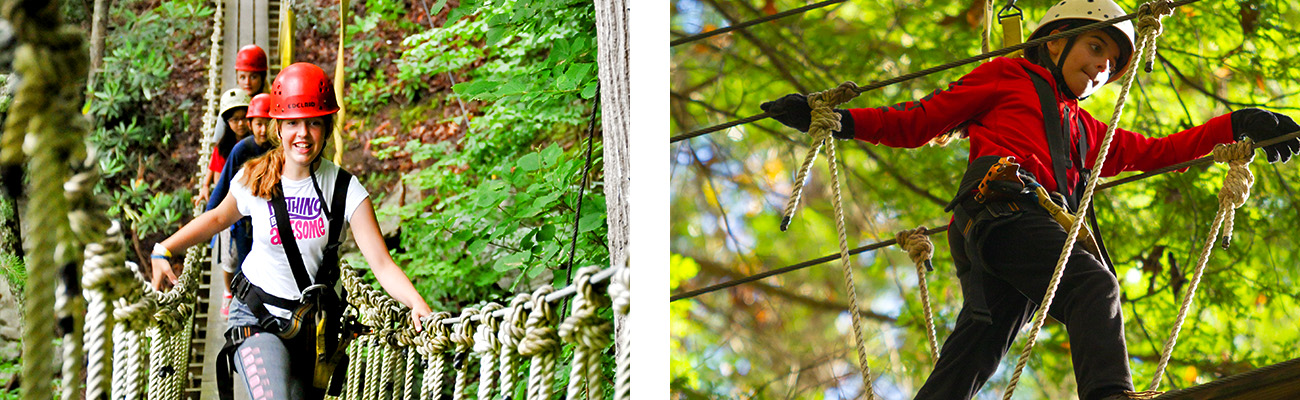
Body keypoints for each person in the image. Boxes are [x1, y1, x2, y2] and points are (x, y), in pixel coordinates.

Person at [759, 1, 1300, 400]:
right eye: (1094, 47)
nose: (1101, 68)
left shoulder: (1088, 130)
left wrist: (1236, 123)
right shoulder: (1007, 76)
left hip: (1010, 233)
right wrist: (842, 121)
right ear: (1055, 40)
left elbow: (1157, 152)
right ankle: (1109, 394)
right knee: (1093, 284)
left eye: (1111, 63)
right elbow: (920, 120)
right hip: (1002, 210)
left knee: (980, 344)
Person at [151, 62, 432, 399]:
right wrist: (165, 248)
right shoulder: (255, 177)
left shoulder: (345, 190)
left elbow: (381, 264)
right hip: (255, 318)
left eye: (314, 123)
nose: (303, 134)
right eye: (294, 123)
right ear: (279, 128)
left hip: (313, 332)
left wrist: (416, 302)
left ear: (327, 128)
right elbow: (215, 219)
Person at [208, 93, 276, 316]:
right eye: (258, 124)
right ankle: (241, 308)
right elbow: (223, 186)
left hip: (271, 218)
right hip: (242, 219)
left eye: (268, 123)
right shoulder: (241, 150)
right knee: (242, 263)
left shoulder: (280, 150)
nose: (263, 130)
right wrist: (209, 223)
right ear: (250, 125)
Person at [197, 44, 270, 206]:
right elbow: (219, 147)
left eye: (253, 77)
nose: (248, 83)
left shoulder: (269, 103)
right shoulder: (232, 105)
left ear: (263, 77)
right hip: (233, 169)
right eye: (242, 77)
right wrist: (205, 184)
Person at [198, 88, 253, 206]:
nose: (240, 124)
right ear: (227, 122)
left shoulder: (258, 140)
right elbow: (218, 176)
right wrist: (205, 185)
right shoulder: (224, 147)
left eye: (244, 118)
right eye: (235, 120)